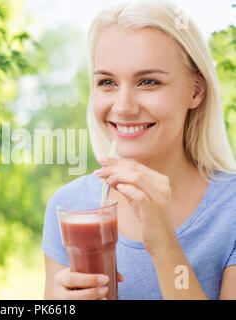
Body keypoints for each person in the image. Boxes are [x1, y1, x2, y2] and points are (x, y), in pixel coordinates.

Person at [42, 0, 236, 300]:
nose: (123, 107)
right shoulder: (71, 206)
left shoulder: (230, 210)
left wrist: (164, 246)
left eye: (148, 82)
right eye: (107, 82)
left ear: (195, 91)